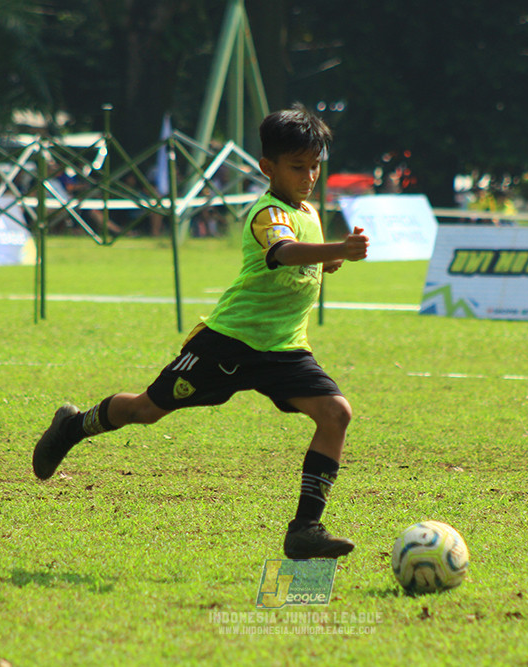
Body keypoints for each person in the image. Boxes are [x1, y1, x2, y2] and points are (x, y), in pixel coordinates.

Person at [32, 104, 369, 560]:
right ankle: (73, 426)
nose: (308, 176)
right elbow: (284, 252)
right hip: (227, 343)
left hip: (284, 350)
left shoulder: (309, 210)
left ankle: (305, 528)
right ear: (267, 168)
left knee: (336, 414)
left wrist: (334, 256)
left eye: (314, 167)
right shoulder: (267, 213)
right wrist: (337, 249)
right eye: (297, 168)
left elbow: (312, 258)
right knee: (148, 410)